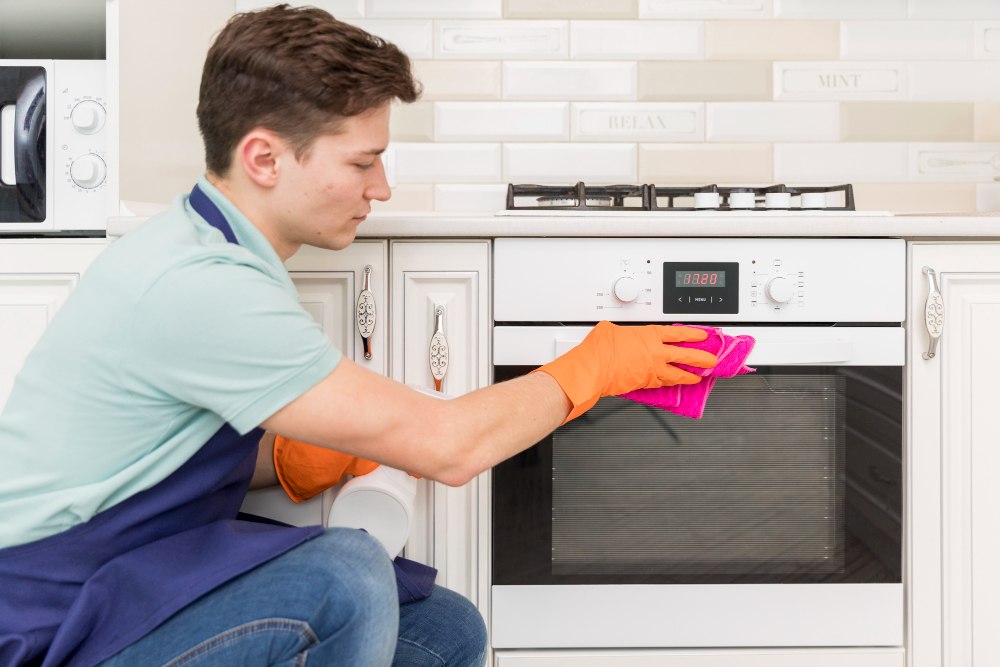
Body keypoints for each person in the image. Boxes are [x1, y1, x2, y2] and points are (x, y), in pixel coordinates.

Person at [0, 5, 717, 667]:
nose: (381, 189)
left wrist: (284, 459)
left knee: (443, 632)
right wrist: (596, 365)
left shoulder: (213, 252)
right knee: (344, 575)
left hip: (124, 577)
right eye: (361, 161)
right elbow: (449, 446)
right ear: (265, 159)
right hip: (56, 618)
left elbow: (150, 451)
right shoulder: (202, 287)